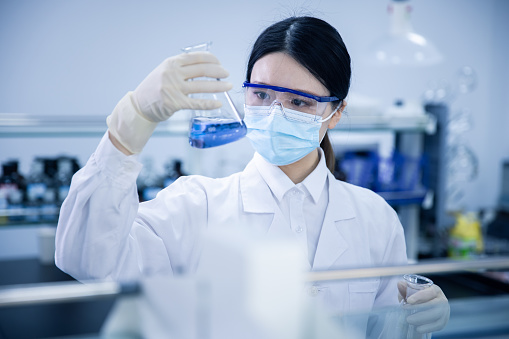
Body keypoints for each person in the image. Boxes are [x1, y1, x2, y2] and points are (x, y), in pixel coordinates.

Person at [55, 16, 449, 336]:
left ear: (337, 112)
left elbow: (386, 328)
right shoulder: (197, 204)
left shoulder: (375, 218)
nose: (275, 112)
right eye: (260, 94)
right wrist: (130, 124)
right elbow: (88, 260)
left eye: (298, 101)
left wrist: (417, 319)